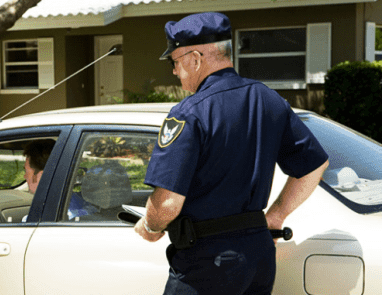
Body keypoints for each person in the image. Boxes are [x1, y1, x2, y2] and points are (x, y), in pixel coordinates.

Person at [134, 12, 330, 294]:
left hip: (207, 261)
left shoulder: (189, 113)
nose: (175, 71)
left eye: (175, 62)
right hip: (258, 257)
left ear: (196, 58)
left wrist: (150, 226)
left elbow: (166, 204)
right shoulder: (269, 100)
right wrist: (275, 217)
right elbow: (314, 166)